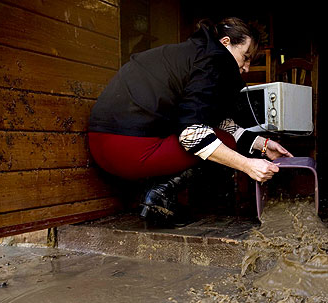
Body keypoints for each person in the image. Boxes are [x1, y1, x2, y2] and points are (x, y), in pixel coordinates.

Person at [88, 17, 292, 225]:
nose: (246, 68)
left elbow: (212, 121)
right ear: (225, 43)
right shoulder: (213, 62)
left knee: (215, 138)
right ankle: (158, 196)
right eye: (245, 57)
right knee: (223, 143)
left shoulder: (192, 54)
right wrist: (247, 165)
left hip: (100, 148)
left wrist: (262, 144)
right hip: (129, 151)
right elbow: (191, 133)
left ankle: (158, 194)